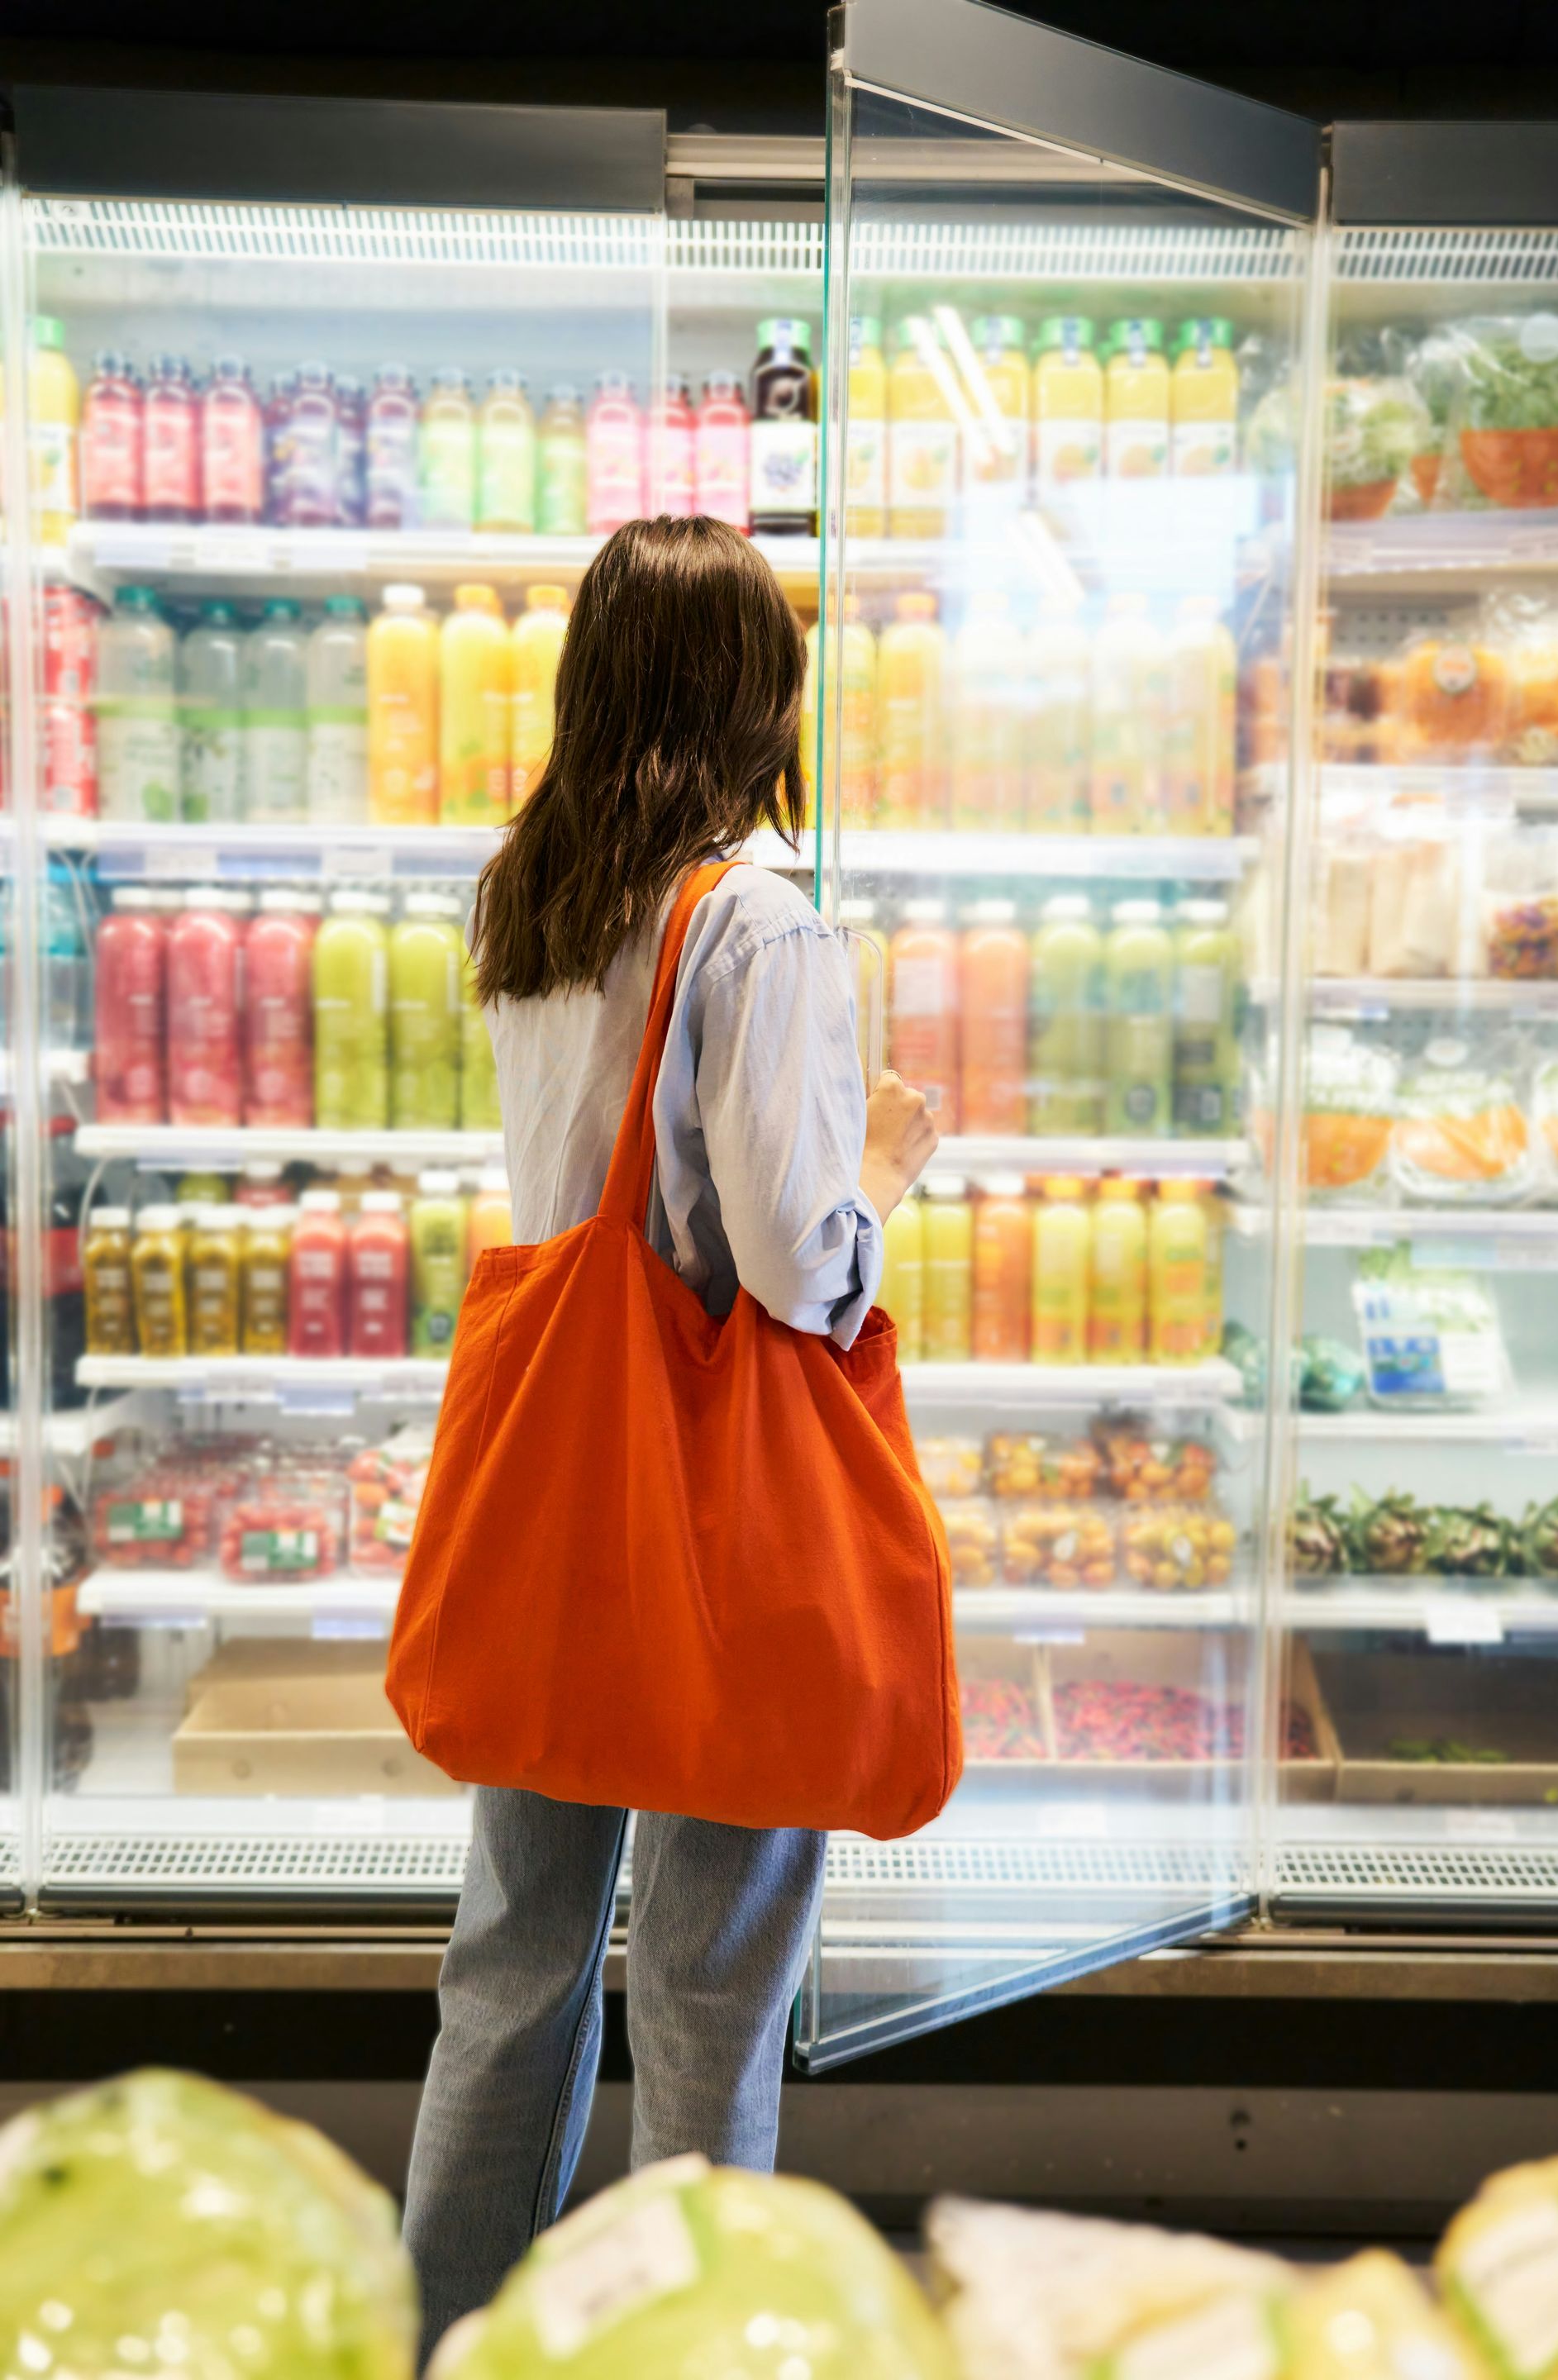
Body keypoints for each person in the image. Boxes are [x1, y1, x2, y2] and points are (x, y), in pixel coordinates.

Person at [403, 514, 937, 2353]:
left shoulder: (540, 894)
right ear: (759, 693)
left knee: (516, 1963)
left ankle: (450, 2327)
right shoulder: (759, 924)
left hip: (569, 1491)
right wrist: (883, 1177)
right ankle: (692, 2343)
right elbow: (798, 1269)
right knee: (706, 1984)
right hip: (714, 1520)